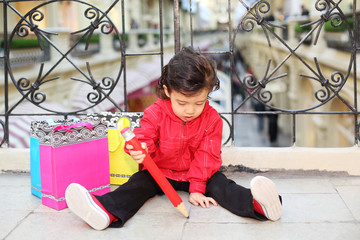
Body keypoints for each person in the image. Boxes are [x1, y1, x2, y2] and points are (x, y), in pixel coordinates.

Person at [65, 47, 283, 230]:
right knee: (136, 185)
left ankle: (258, 205)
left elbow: (207, 156)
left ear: (208, 93)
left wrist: (197, 187)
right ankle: (105, 211)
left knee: (222, 185)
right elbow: (144, 137)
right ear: (168, 91)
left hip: (198, 173)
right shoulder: (155, 112)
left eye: (199, 103)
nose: (190, 110)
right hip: (159, 172)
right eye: (182, 103)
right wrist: (140, 149)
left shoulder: (212, 119)